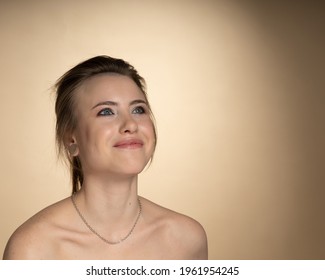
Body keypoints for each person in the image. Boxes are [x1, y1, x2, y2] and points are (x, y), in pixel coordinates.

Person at [3, 55, 208, 260]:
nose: (130, 125)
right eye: (106, 112)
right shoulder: (33, 249)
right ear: (71, 139)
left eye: (138, 109)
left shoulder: (186, 239)